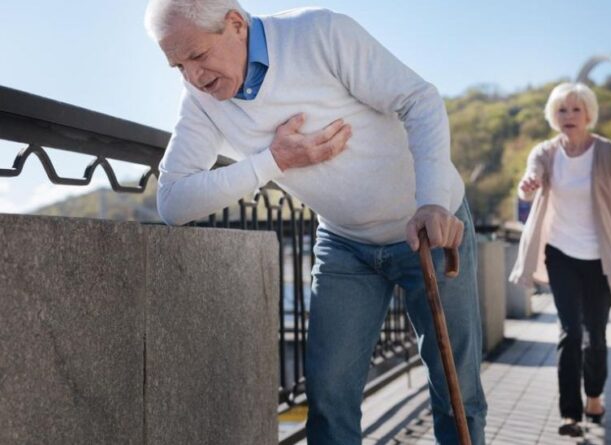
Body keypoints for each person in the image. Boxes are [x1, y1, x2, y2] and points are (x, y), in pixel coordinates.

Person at [143, 1, 487, 443]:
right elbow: (173, 201)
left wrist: (433, 201)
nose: (193, 76)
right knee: (328, 400)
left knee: (457, 389)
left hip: (429, 229)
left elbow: (418, 99)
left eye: (198, 56)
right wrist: (274, 161)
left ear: (235, 24)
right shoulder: (202, 101)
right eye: (178, 67)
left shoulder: (320, 33)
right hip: (344, 244)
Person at [509, 82, 611, 437]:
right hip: (560, 254)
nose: (569, 116)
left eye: (576, 109)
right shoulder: (545, 152)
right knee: (570, 332)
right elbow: (530, 178)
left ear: (588, 114)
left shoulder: (608, 152)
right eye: (562, 110)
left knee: (596, 336)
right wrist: (527, 186)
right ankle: (570, 414)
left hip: (599, 259)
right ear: (553, 116)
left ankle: (594, 396)